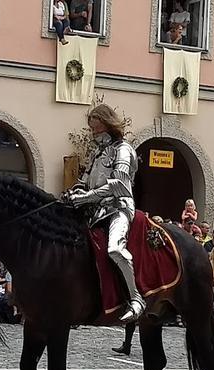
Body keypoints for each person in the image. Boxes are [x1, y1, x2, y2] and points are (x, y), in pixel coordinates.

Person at [65, 104, 143, 322]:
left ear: (108, 126)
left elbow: (119, 184)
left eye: (96, 130)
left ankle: (135, 299)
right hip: (95, 210)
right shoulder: (97, 154)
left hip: (118, 206)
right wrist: (75, 191)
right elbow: (85, 180)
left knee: (115, 249)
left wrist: (86, 197)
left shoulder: (124, 150)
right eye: (92, 130)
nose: (93, 135)